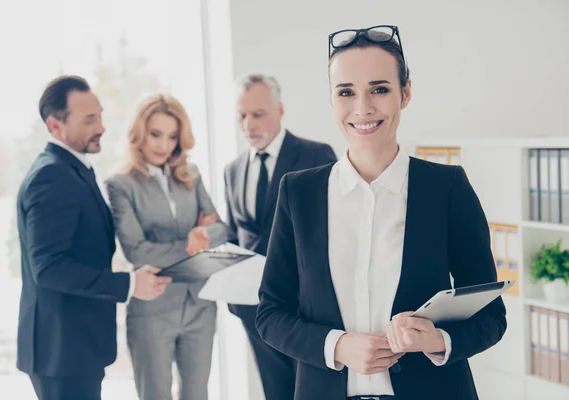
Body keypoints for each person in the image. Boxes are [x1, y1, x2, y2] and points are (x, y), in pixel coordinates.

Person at [255, 26, 508, 400]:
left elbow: (491, 315)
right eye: (346, 92)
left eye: (379, 89)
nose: (363, 108)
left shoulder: (447, 188)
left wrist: (438, 340)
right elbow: (270, 314)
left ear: (405, 93)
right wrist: (337, 346)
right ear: (331, 100)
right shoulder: (299, 192)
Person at [16, 76, 171, 400]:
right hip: (62, 353)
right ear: (55, 125)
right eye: (89, 120)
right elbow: (49, 268)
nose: (100, 126)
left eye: (99, 115)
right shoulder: (52, 176)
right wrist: (128, 285)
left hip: (74, 349)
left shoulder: (73, 168)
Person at [105, 94, 229, 400]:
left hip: (200, 305)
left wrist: (204, 234)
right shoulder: (120, 185)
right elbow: (136, 250)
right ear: (139, 133)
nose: (164, 145)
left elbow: (221, 229)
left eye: (172, 136)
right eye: (156, 134)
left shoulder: (191, 174)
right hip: (152, 308)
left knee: (197, 394)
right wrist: (190, 243)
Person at [224, 73, 337, 400]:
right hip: (254, 311)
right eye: (241, 115)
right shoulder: (232, 170)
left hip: (306, 312)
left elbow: (333, 232)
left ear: (280, 111)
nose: (248, 124)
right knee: (274, 392)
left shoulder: (316, 156)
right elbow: (236, 236)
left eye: (258, 113)